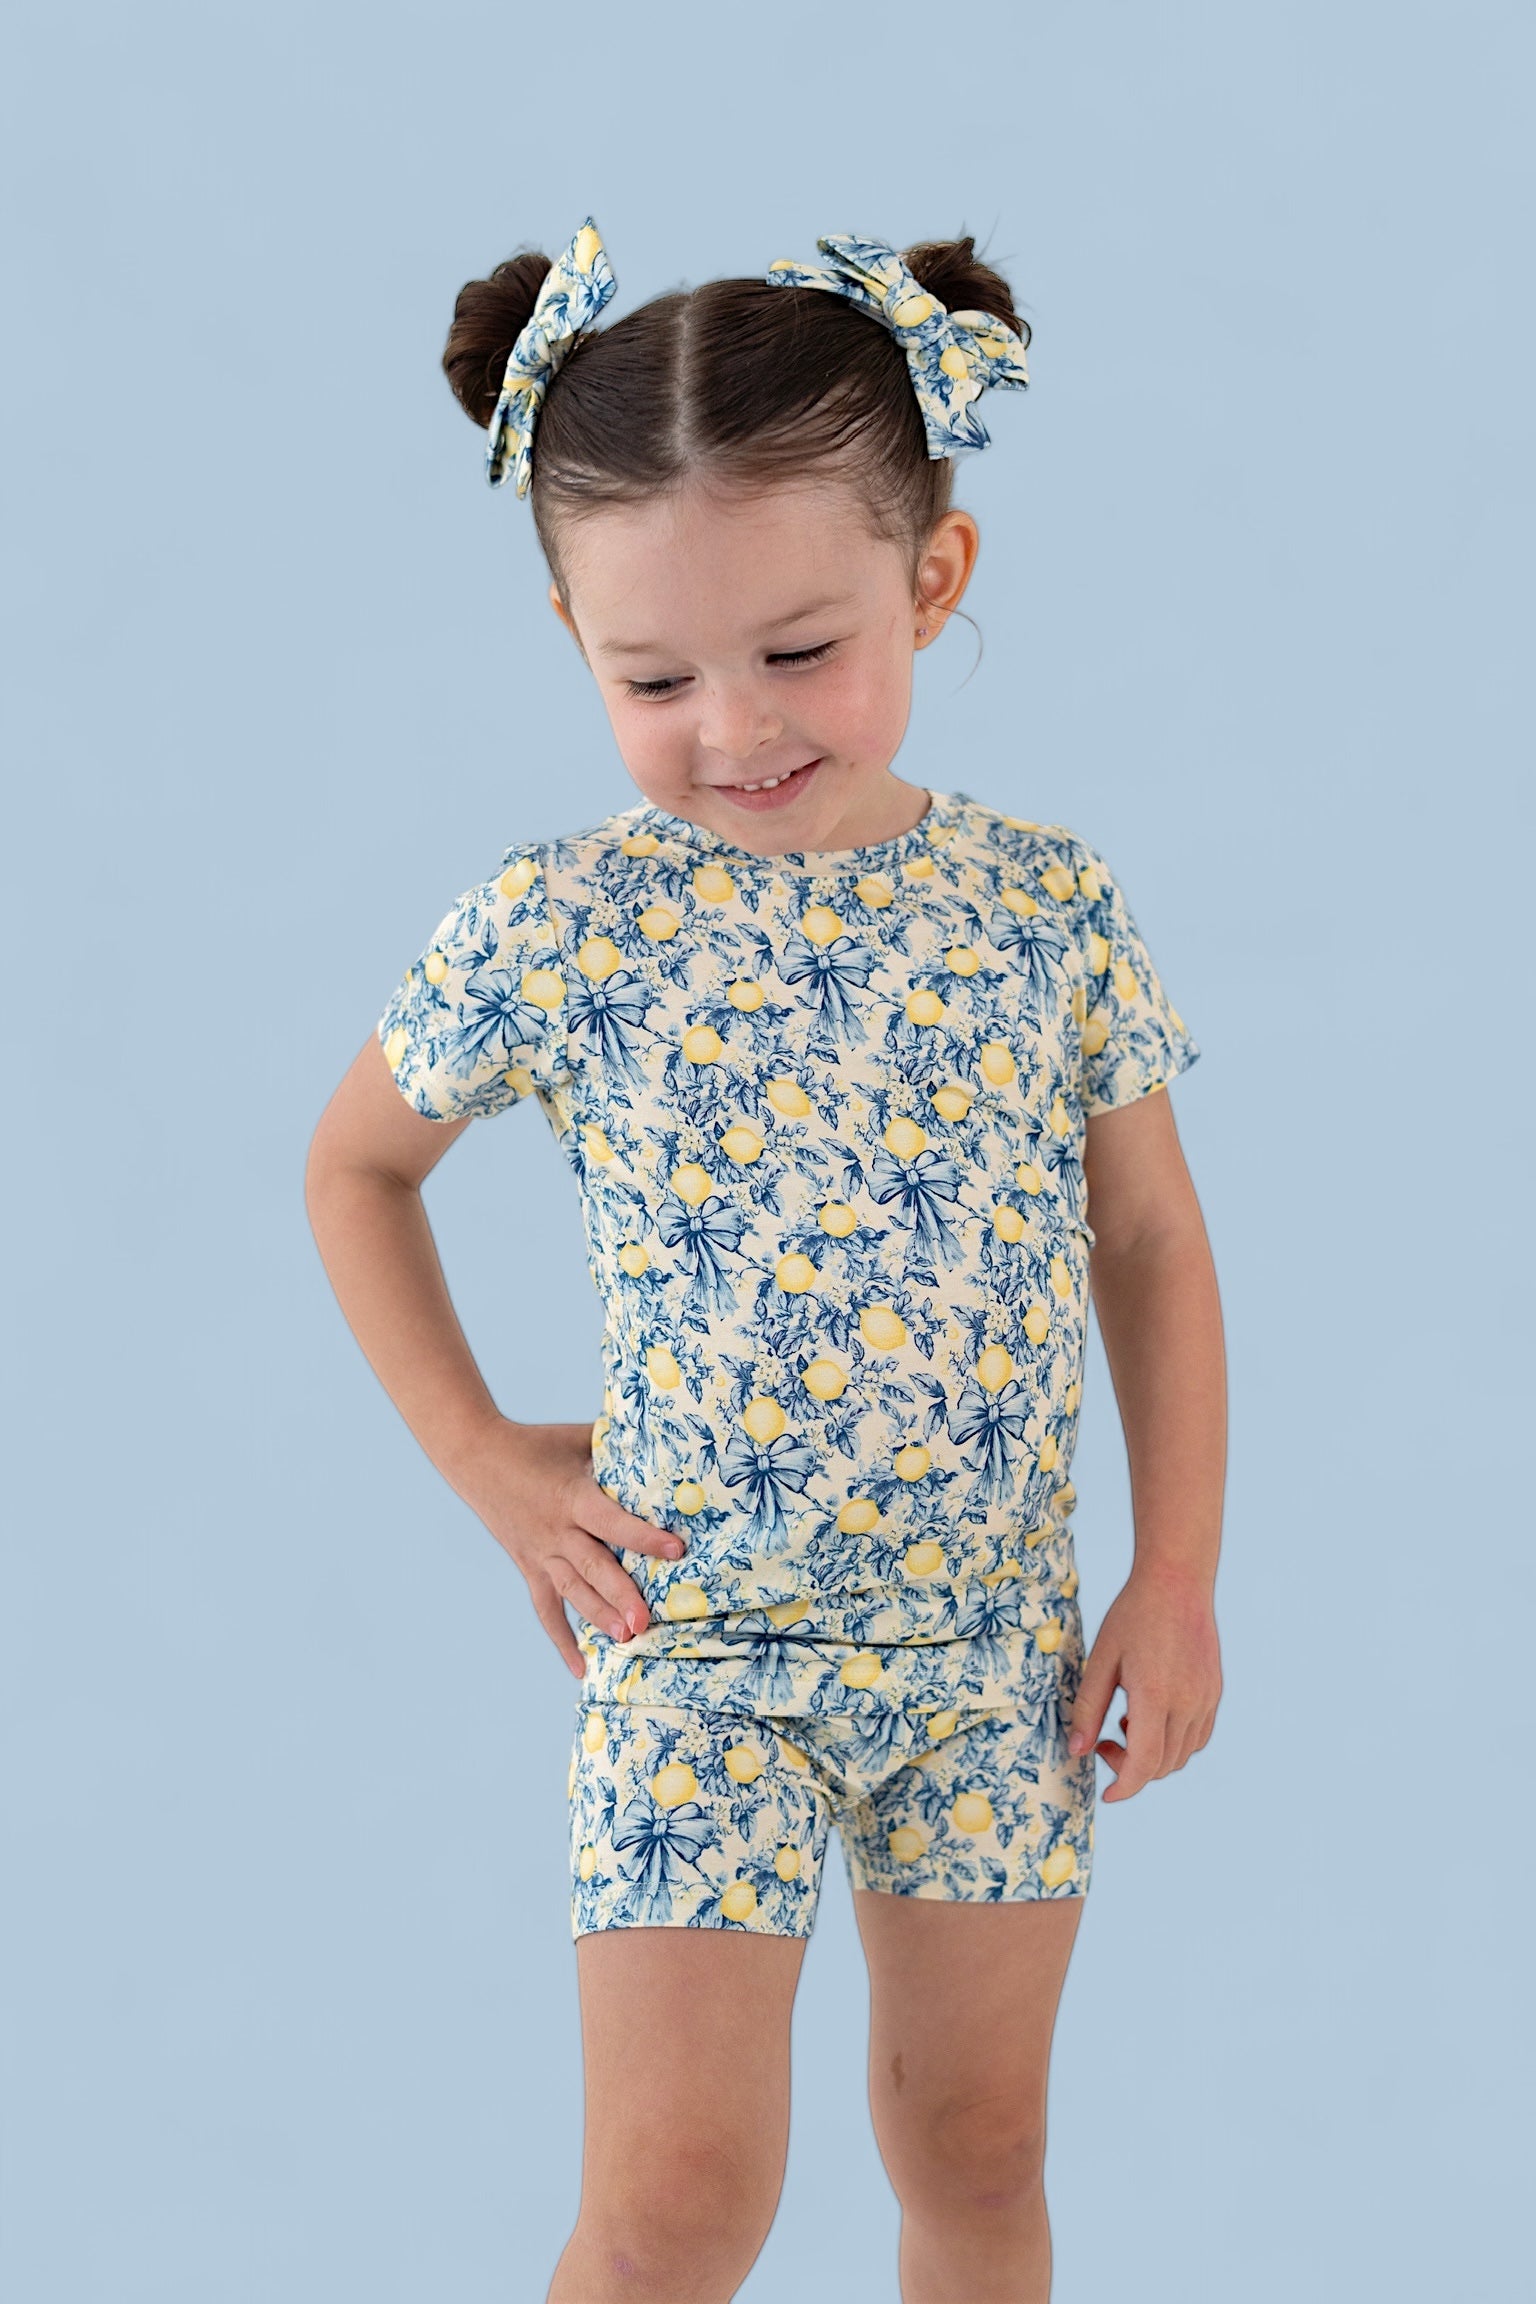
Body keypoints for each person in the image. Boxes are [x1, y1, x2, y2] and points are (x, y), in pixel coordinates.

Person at [305, 218, 1227, 2304]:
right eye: (653, 679)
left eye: (799, 651)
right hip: (696, 1647)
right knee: (674, 2208)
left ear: (935, 578)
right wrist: (484, 1459)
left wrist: (1174, 1571)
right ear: (574, 633)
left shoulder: (1046, 906)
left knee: (979, 2153)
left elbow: (1154, 1236)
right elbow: (355, 1168)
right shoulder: (559, 923)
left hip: (992, 1653)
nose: (732, 726)